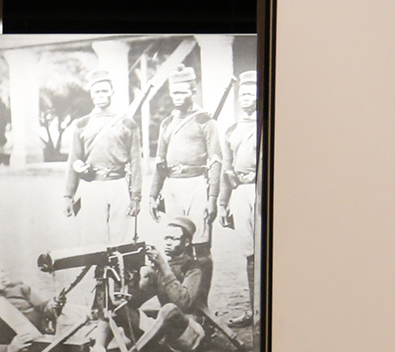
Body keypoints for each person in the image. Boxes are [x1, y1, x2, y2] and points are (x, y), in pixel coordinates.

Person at [62, 70, 141, 246]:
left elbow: (136, 163)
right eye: (97, 91)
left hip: (119, 185)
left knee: (122, 240)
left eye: (105, 91)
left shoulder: (127, 123)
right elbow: (73, 160)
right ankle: (100, 274)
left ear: (112, 92)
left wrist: (136, 197)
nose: (101, 95)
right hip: (92, 187)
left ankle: (121, 274)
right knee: (93, 240)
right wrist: (68, 195)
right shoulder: (81, 124)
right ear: (91, 94)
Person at [150, 66, 225, 234]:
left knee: (199, 240)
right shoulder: (167, 123)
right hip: (171, 185)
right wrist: (152, 196)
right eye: (174, 93)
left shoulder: (205, 121)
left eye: (182, 93)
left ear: (193, 91)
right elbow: (160, 162)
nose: (177, 97)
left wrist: (212, 198)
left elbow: (216, 162)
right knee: (175, 240)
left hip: (196, 184)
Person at [219, 70, 261, 328]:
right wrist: (222, 203)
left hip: (262, 191)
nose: (245, 98)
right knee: (249, 252)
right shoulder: (232, 129)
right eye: (242, 93)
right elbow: (226, 167)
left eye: (250, 93)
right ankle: (254, 310)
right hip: (240, 192)